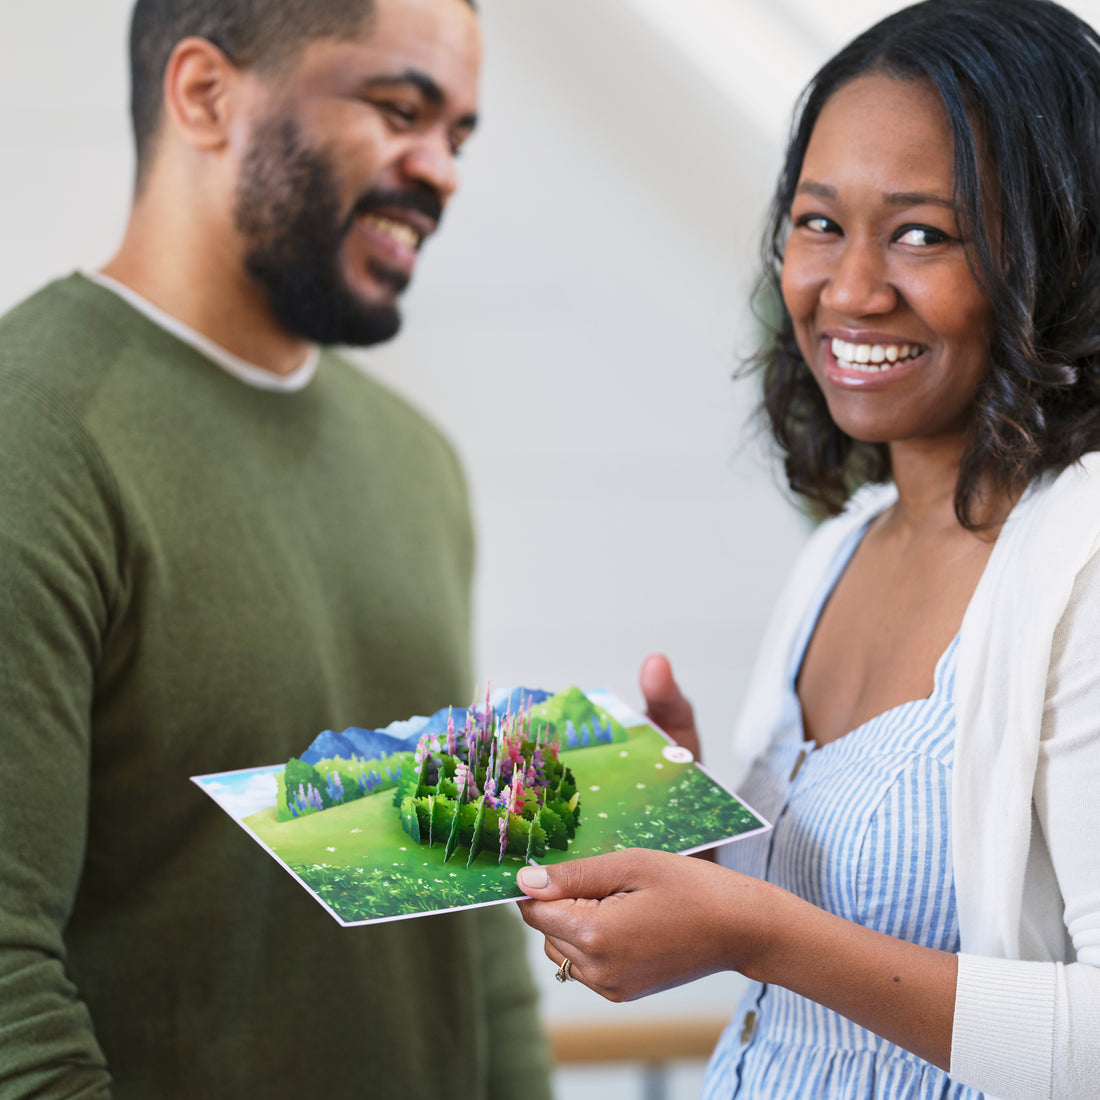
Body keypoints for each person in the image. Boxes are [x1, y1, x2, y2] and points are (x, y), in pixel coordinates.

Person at [517, 1, 1100, 1097]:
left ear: (1057, 251)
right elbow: (819, 920)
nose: (848, 288)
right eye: (817, 223)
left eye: (922, 232)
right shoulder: (836, 551)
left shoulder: (1082, 562)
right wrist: (690, 839)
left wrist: (756, 930)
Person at [0, 0, 554, 1096]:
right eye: (402, 109)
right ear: (206, 94)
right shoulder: (37, 438)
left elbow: (463, 889)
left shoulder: (415, 461)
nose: (440, 170)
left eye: (458, 136)